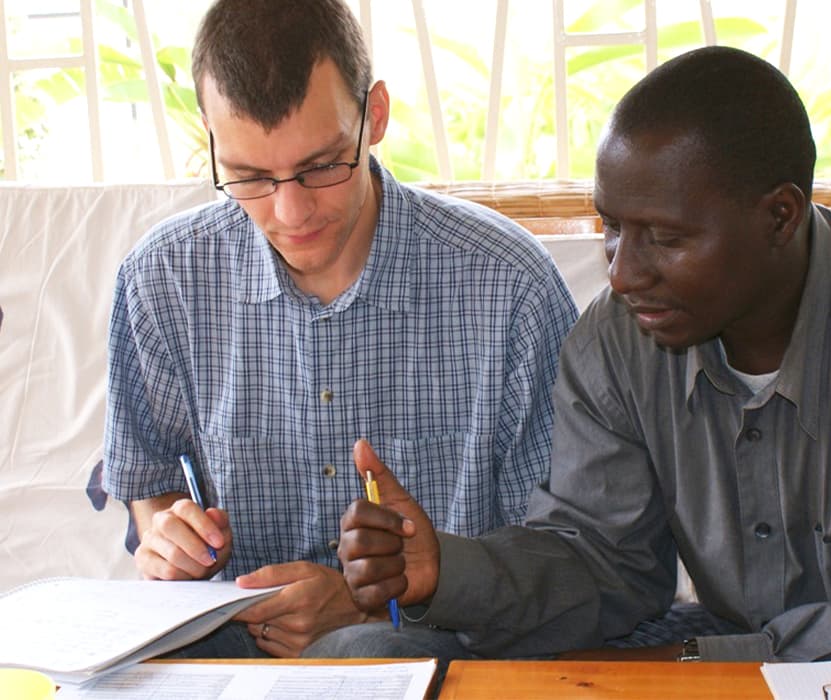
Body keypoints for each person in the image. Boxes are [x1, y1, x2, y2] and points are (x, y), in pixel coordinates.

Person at [328, 45, 831, 663]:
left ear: (780, 216)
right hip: (742, 654)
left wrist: (694, 667)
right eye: (611, 229)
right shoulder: (619, 340)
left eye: (665, 238)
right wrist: (445, 570)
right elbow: (606, 563)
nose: (622, 273)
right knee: (371, 651)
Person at [102, 0, 577, 658]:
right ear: (211, 139)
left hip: (446, 657)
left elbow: (565, 557)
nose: (291, 211)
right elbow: (148, 480)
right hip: (234, 659)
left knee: (372, 650)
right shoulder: (162, 281)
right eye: (249, 177)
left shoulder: (508, 287)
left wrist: (373, 607)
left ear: (374, 116)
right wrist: (170, 537)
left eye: (323, 166)